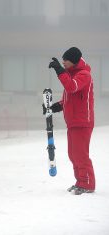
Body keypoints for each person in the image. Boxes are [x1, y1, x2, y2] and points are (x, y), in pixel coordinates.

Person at [48, 47, 95, 195]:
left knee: (81, 154)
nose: (63, 62)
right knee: (73, 155)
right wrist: (58, 106)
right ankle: (80, 181)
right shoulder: (72, 75)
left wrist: (59, 71)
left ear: (73, 60)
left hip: (82, 122)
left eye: (65, 60)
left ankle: (87, 183)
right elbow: (71, 98)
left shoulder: (84, 75)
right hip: (73, 121)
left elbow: (71, 87)